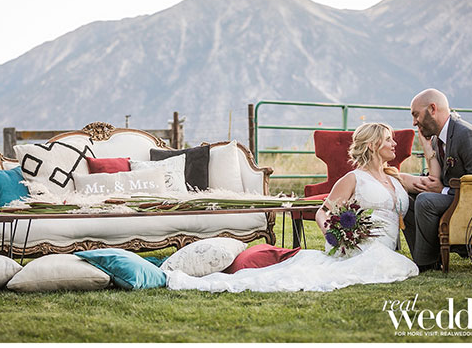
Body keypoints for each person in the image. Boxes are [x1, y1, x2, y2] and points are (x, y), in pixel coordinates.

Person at [166, 123, 419, 293]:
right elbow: (323, 212)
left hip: (387, 250)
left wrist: (430, 150)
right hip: (362, 249)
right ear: (374, 145)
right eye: (389, 140)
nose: (394, 144)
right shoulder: (353, 179)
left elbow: (432, 184)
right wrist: (333, 235)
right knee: (393, 267)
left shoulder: (396, 177)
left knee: (397, 266)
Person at [404, 88, 472, 272]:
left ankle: (426, 265)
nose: (414, 122)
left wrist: (441, 190)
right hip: (456, 195)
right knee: (405, 198)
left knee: (426, 201)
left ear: (433, 109)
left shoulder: (466, 135)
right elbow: (440, 178)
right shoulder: (437, 138)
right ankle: (422, 257)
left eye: (416, 115)